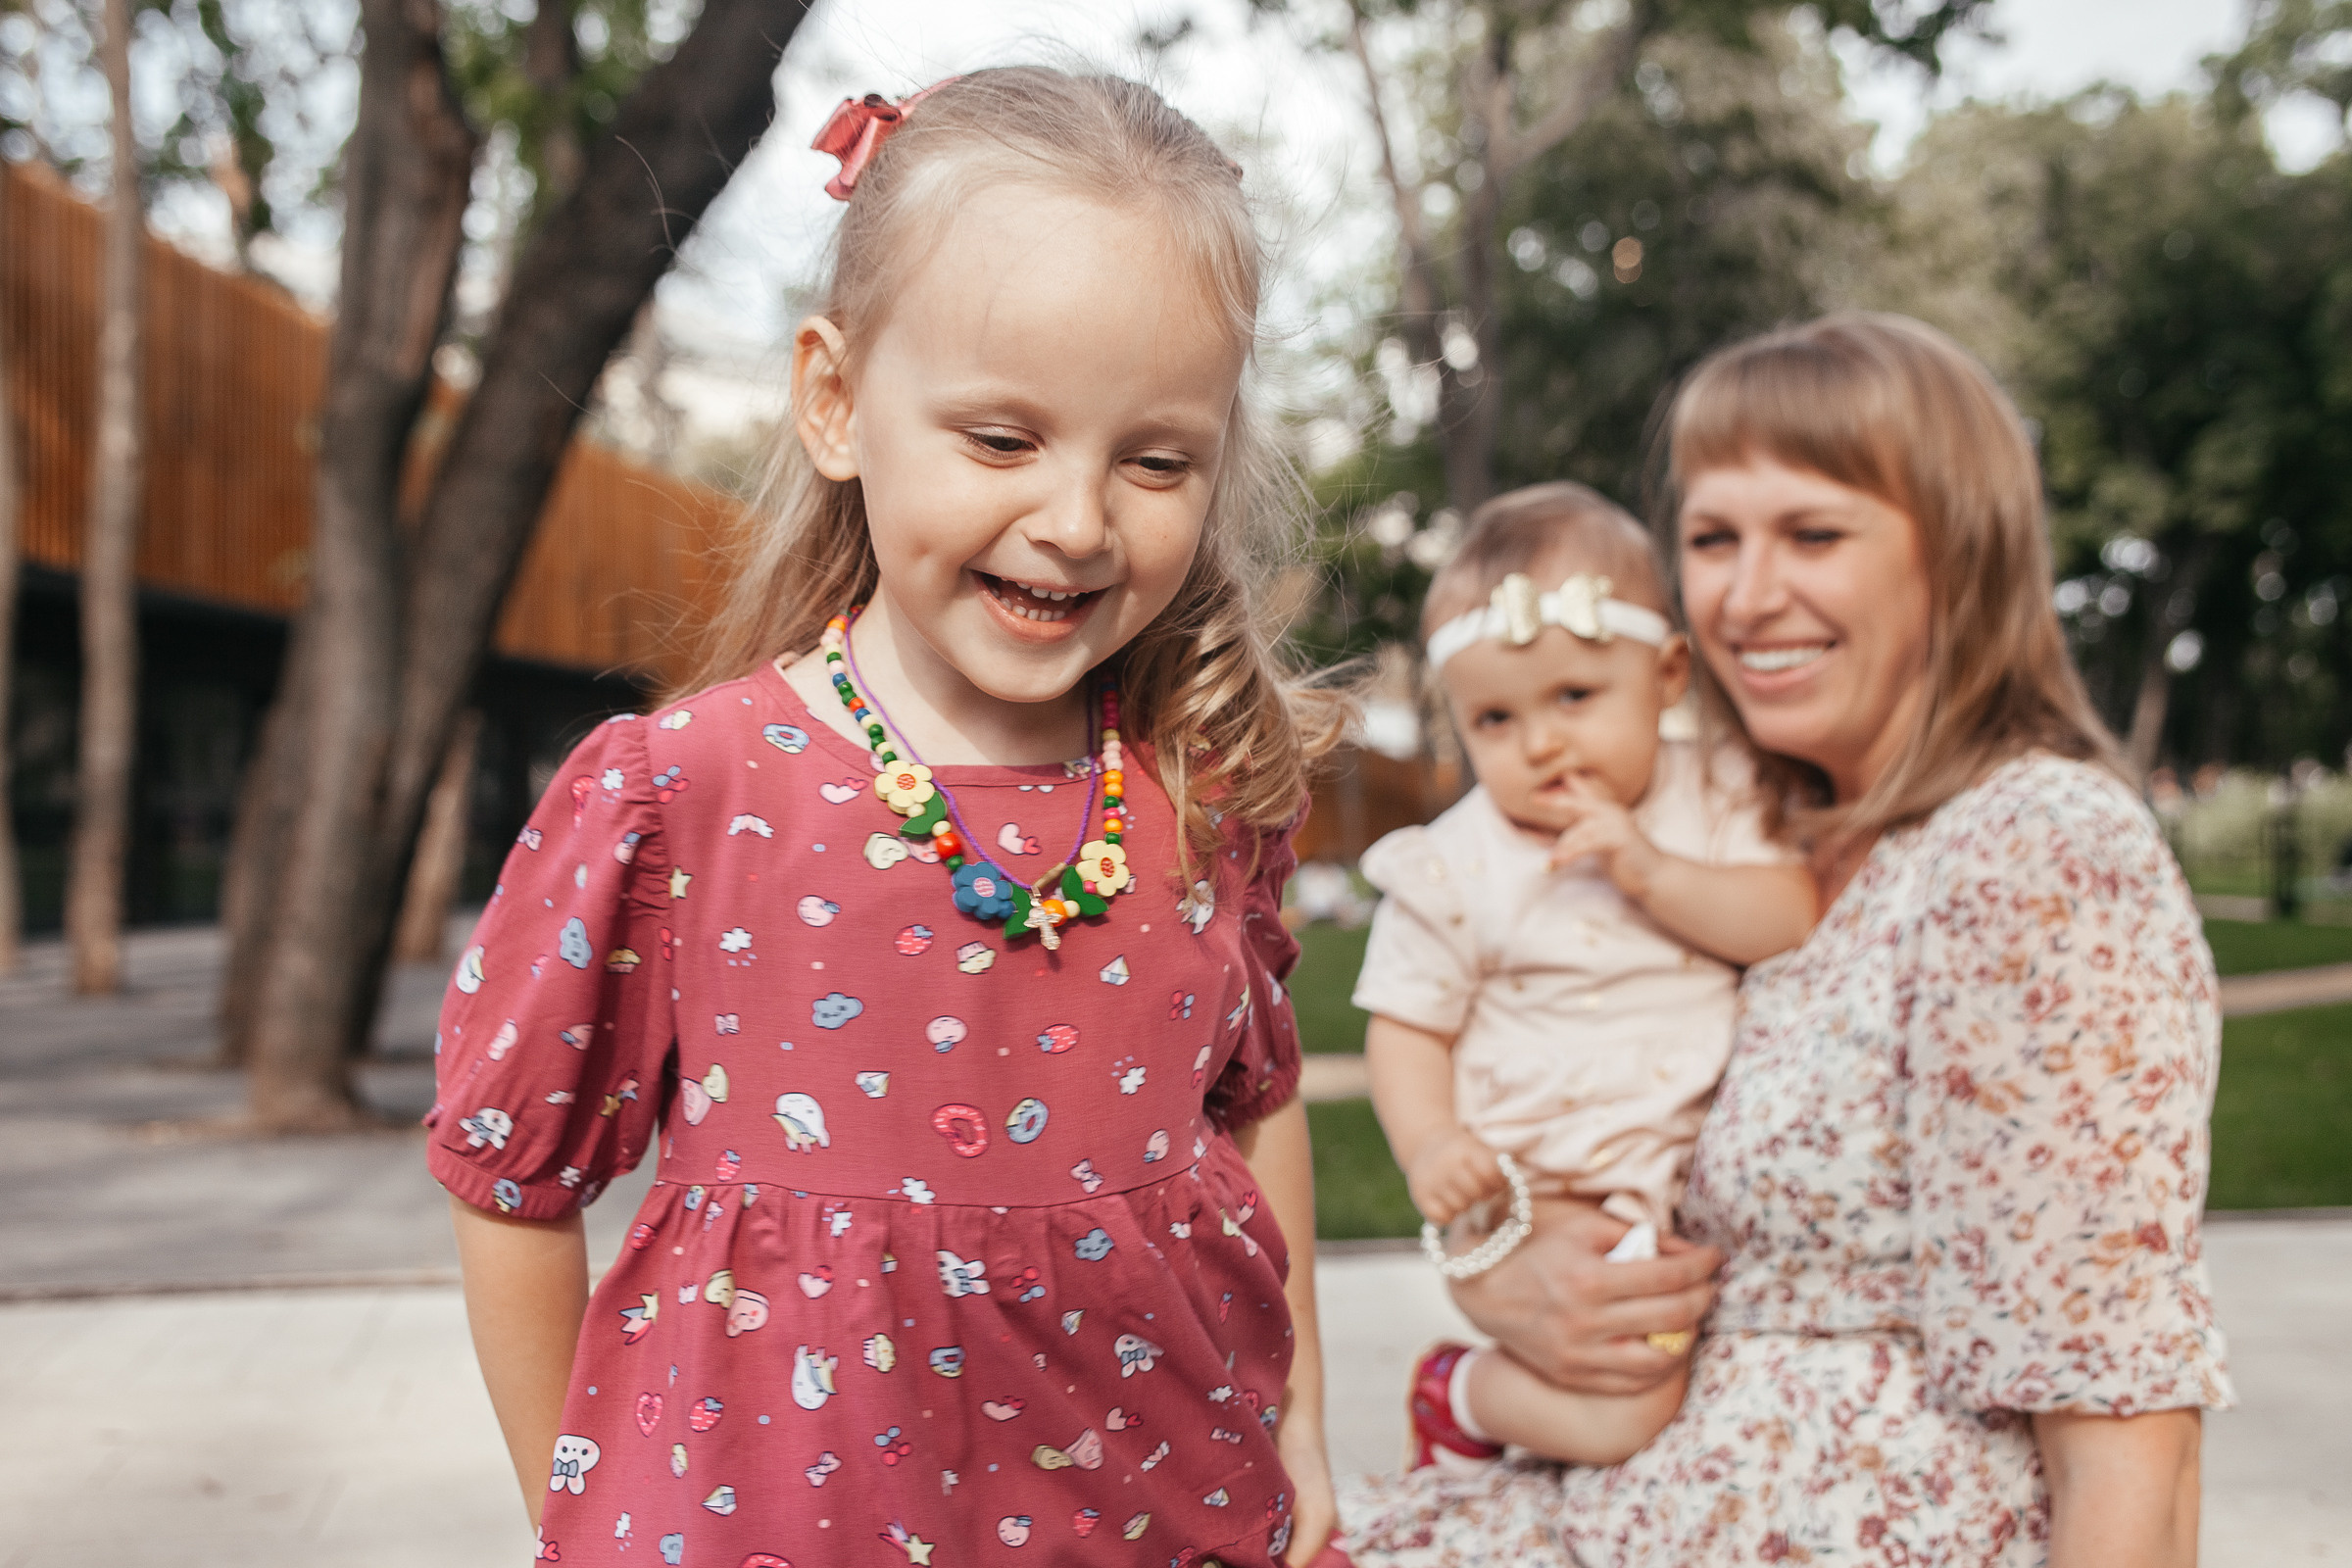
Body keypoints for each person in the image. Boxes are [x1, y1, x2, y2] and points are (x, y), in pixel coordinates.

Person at [427, 69, 1342, 1566]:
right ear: (837, 402)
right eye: (1003, 440)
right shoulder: (686, 795)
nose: (1076, 521)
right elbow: (510, 1173)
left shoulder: (1203, 790)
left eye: (1155, 460)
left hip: (1164, 1514)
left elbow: (1256, 1103)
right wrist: (580, 1512)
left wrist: (1300, 1425)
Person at [1341, 313, 2230, 1566]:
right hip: (1612, 1493)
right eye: (1714, 539)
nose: (1749, 596)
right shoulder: (1763, 826)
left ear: (1959, 551)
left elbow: (2125, 1420)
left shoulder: (2035, 851)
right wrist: (1500, 1266)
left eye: (1814, 534)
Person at [1354, 484, 1815, 1470]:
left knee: (1687, 1385)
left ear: (1666, 676)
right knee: (1631, 1405)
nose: (1542, 743)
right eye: (1495, 718)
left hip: (1676, 1179)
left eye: (1574, 697)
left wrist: (1650, 870)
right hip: (1535, 1189)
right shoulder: (1455, 864)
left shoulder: (1714, 795)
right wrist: (1431, 1142)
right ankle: (1460, 1395)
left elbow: (1789, 916)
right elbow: (1407, 1026)